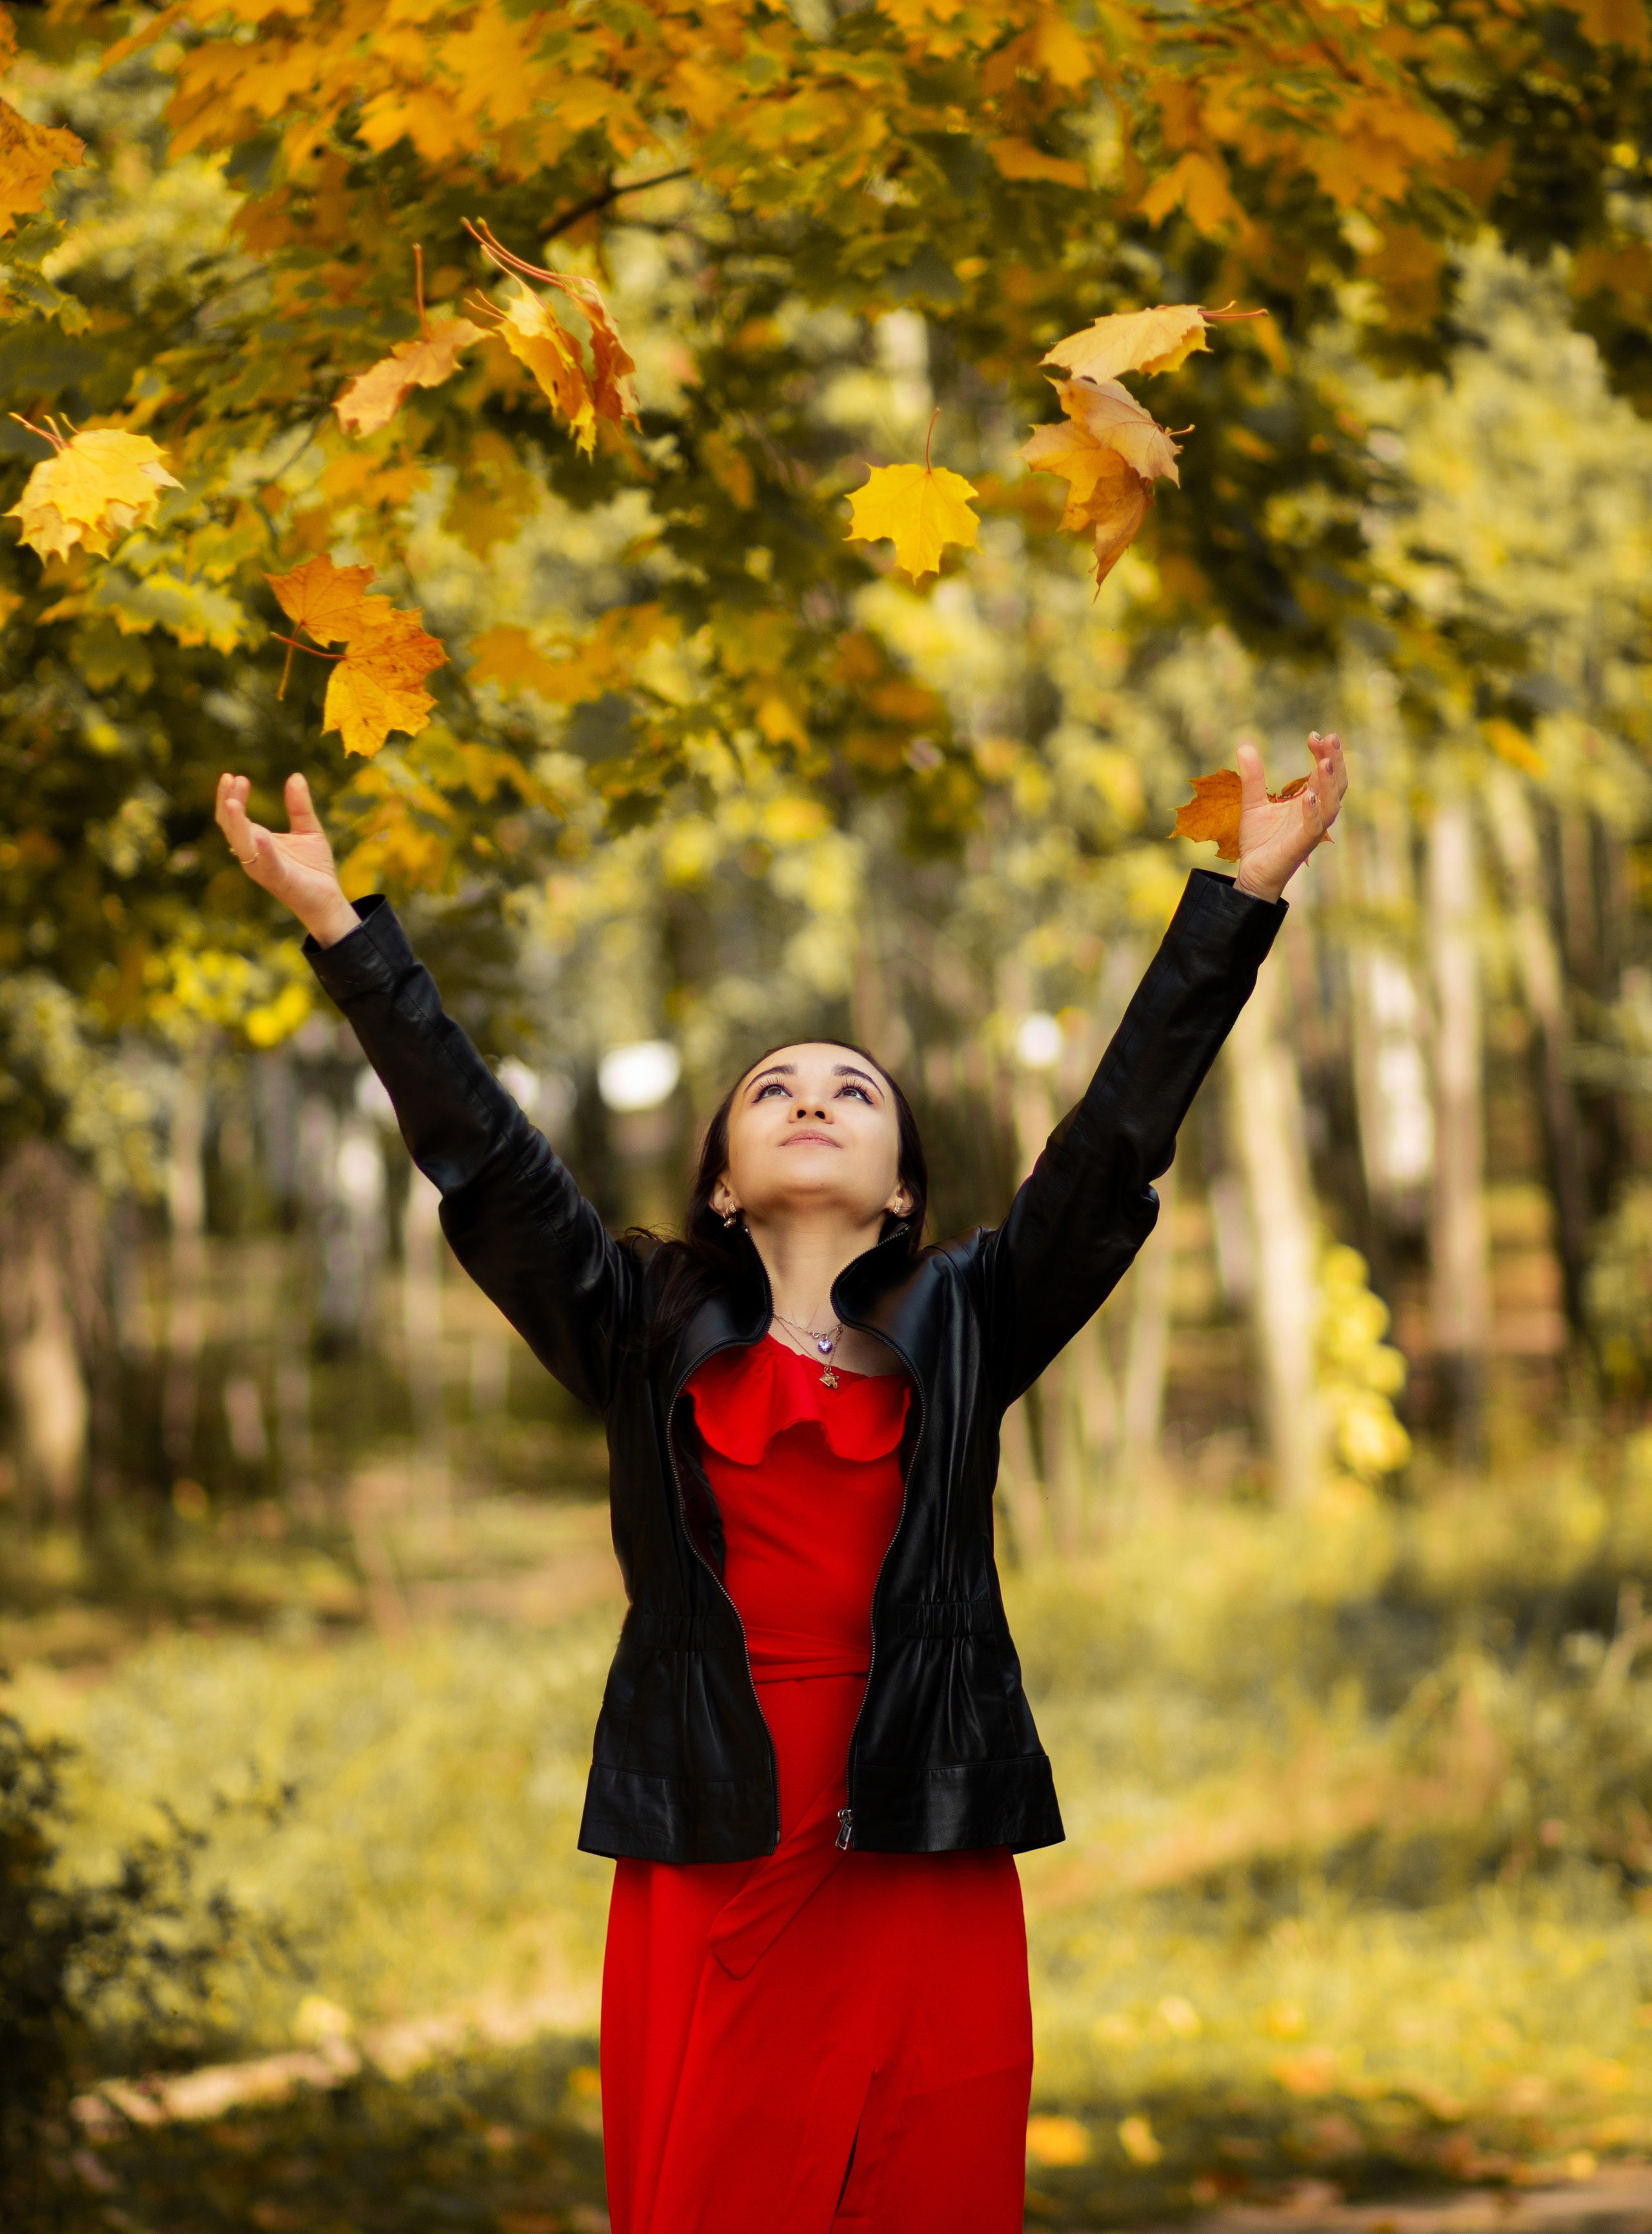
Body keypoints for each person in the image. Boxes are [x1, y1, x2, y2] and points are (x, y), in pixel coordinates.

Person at [214, 731, 1347, 2234]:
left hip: (920, 1842)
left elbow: (1109, 1149)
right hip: (717, 1850)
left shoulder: (966, 1315)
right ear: (724, 1180)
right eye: (772, 1089)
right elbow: (484, 1164)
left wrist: (1237, 904)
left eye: (851, 1090)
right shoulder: (634, 1321)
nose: (811, 1096)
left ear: (899, 1188)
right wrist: (346, 938)